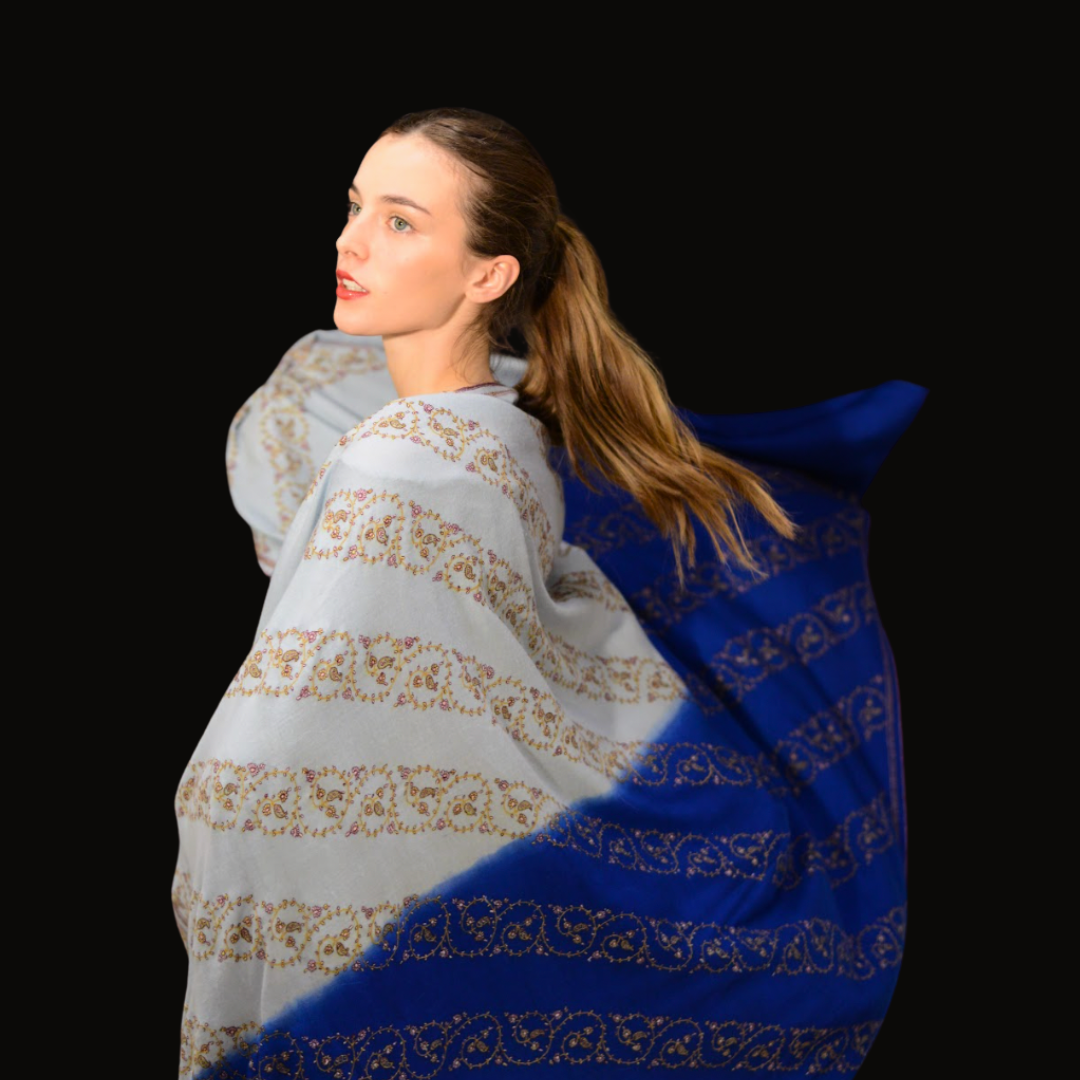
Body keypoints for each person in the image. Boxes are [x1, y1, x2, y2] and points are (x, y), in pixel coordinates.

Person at [174, 107, 923, 1077]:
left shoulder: (409, 463)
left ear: (490, 275)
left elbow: (273, 767)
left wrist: (227, 822)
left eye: (401, 222)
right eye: (354, 207)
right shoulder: (505, 427)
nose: (350, 240)